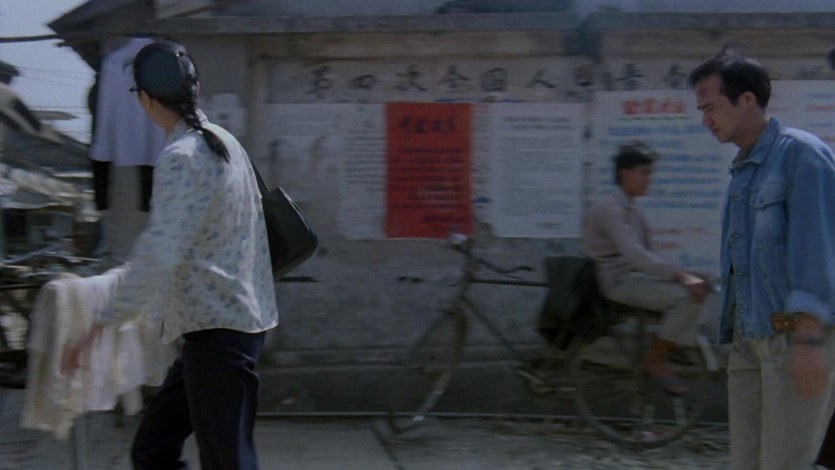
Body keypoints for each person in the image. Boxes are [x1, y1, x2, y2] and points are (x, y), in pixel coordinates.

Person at [62, 40, 278, 469]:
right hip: (222, 328)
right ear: (194, 89)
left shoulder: (183, 157)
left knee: (224, 461)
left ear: (145, 99)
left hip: (220, 332)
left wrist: (99, 325)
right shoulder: (223, 143)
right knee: (152, 449)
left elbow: (160, 252)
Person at [689, 48, 835, 470]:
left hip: (793, 341)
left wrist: (809, 342)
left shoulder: (802, 156)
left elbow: (819, 252)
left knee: (785, 463)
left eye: (711, 108)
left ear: (747, 99)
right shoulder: (744, 170)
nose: (706, 121)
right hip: (748, 341)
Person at [582, 141, 712, 395]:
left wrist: (691, 275)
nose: (648, 179)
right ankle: (657, 359)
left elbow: (648, 257)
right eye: (644, 172)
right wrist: (681, 276)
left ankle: (670, 344)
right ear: (624, 173)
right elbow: (636, 256)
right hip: (614, 282)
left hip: (631, 277)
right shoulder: (610, 208)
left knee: (701, 288)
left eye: (649, 173)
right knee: (686, 298)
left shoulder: (631, 208)